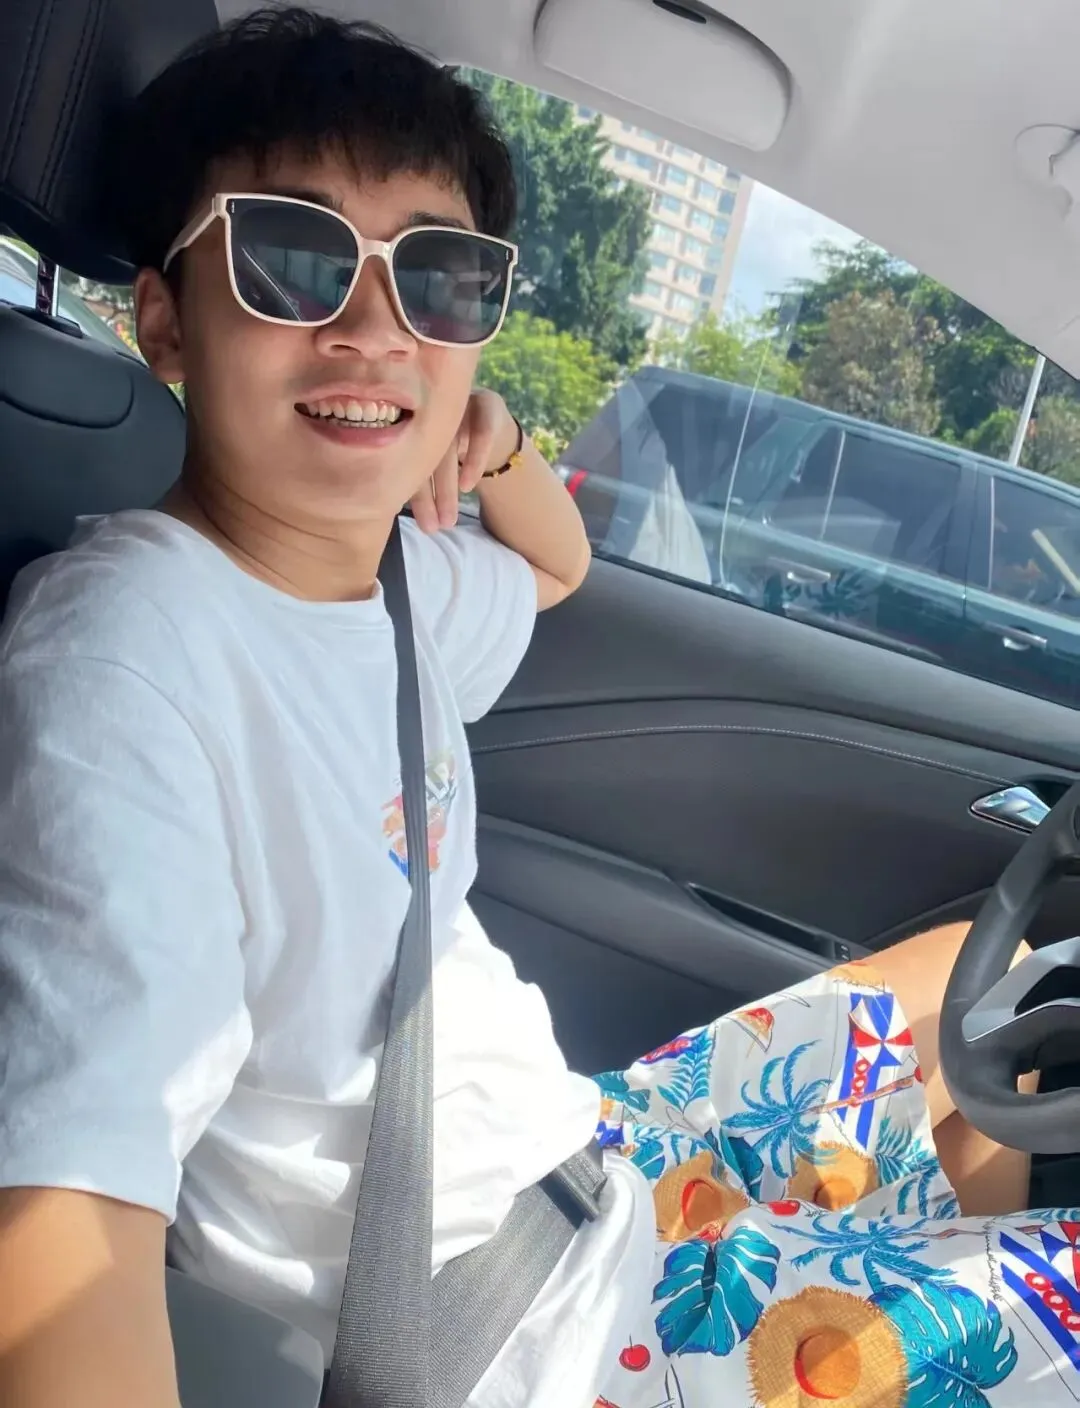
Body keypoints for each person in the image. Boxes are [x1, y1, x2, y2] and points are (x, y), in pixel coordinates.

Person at [0, 12, 1061, 1408]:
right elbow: (68, 1218)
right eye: (292, 259)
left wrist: (489, 444)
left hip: (596, 1159)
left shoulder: (389, 582)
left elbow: (554, 570)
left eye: (439, 279)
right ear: (163, 321)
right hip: (512, 1327)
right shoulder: (124, 657)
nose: (373, 330)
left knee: (989, 986)